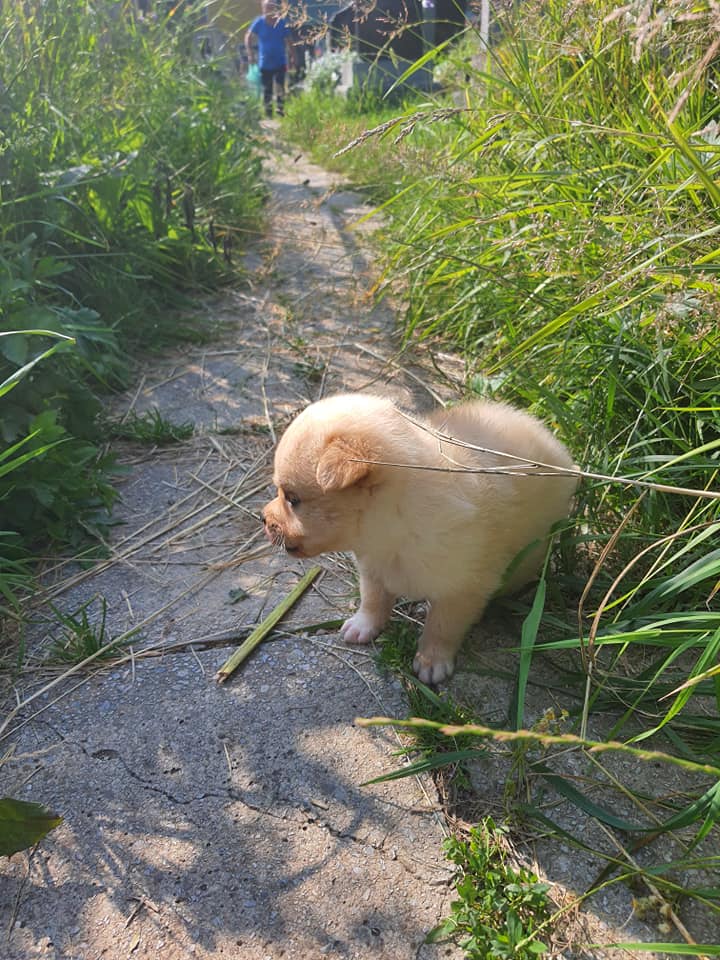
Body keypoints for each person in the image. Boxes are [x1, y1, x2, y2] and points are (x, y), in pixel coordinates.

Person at [245, 1, 293, 118]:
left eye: (271, 8)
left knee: (280, 87)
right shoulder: (259, 22)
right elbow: (248, 37)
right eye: (266, 8)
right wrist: (250, 54)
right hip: (265, 62)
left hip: (280, 61)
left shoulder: (281, 22)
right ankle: (268, 114)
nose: (268, 11)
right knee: (267, 89)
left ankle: (280, 111)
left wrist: (292, 56)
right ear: (263, 9)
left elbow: (289, 40)